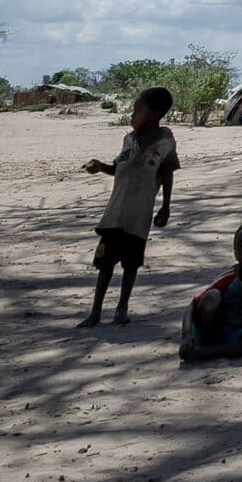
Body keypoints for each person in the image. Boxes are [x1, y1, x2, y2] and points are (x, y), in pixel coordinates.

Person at [78, 86, 178, 328]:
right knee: (105, 265)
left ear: (154, 114)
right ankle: (96, 311)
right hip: (115, 215)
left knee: (131, 265)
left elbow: (166, 174)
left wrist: (165, 206)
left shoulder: (165, 143)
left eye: (137, 110)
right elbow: (117, 168)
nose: (133, 115)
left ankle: (122, 308)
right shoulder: (129, 140)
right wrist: (101, 166)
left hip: (138, 217)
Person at [179, 220, 242, 362]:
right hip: (208, 332)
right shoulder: (231, 277)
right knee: (213, 296)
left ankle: (205, 352)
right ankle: (207, 348)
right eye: (241, 245)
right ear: (235, 253)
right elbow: (193, 305)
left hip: (236, 333)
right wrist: (186, 336)